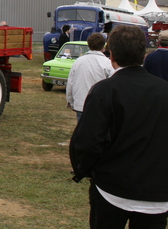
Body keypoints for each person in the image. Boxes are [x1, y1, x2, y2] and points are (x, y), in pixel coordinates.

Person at [70, 25, 168, 228]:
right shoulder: (163, 90)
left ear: (111, 54)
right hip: (155, 192)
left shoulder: (104, 91)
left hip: (113, 189)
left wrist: (84, 170)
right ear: (144, 53)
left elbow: (87, 141)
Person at [66, 33, 113, 121]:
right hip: (100, 106)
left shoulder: (78, 62)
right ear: (103, 46)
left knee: (82, 132)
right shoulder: (107, 63)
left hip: (81, 103)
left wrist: (70, 101)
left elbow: (70, 83)